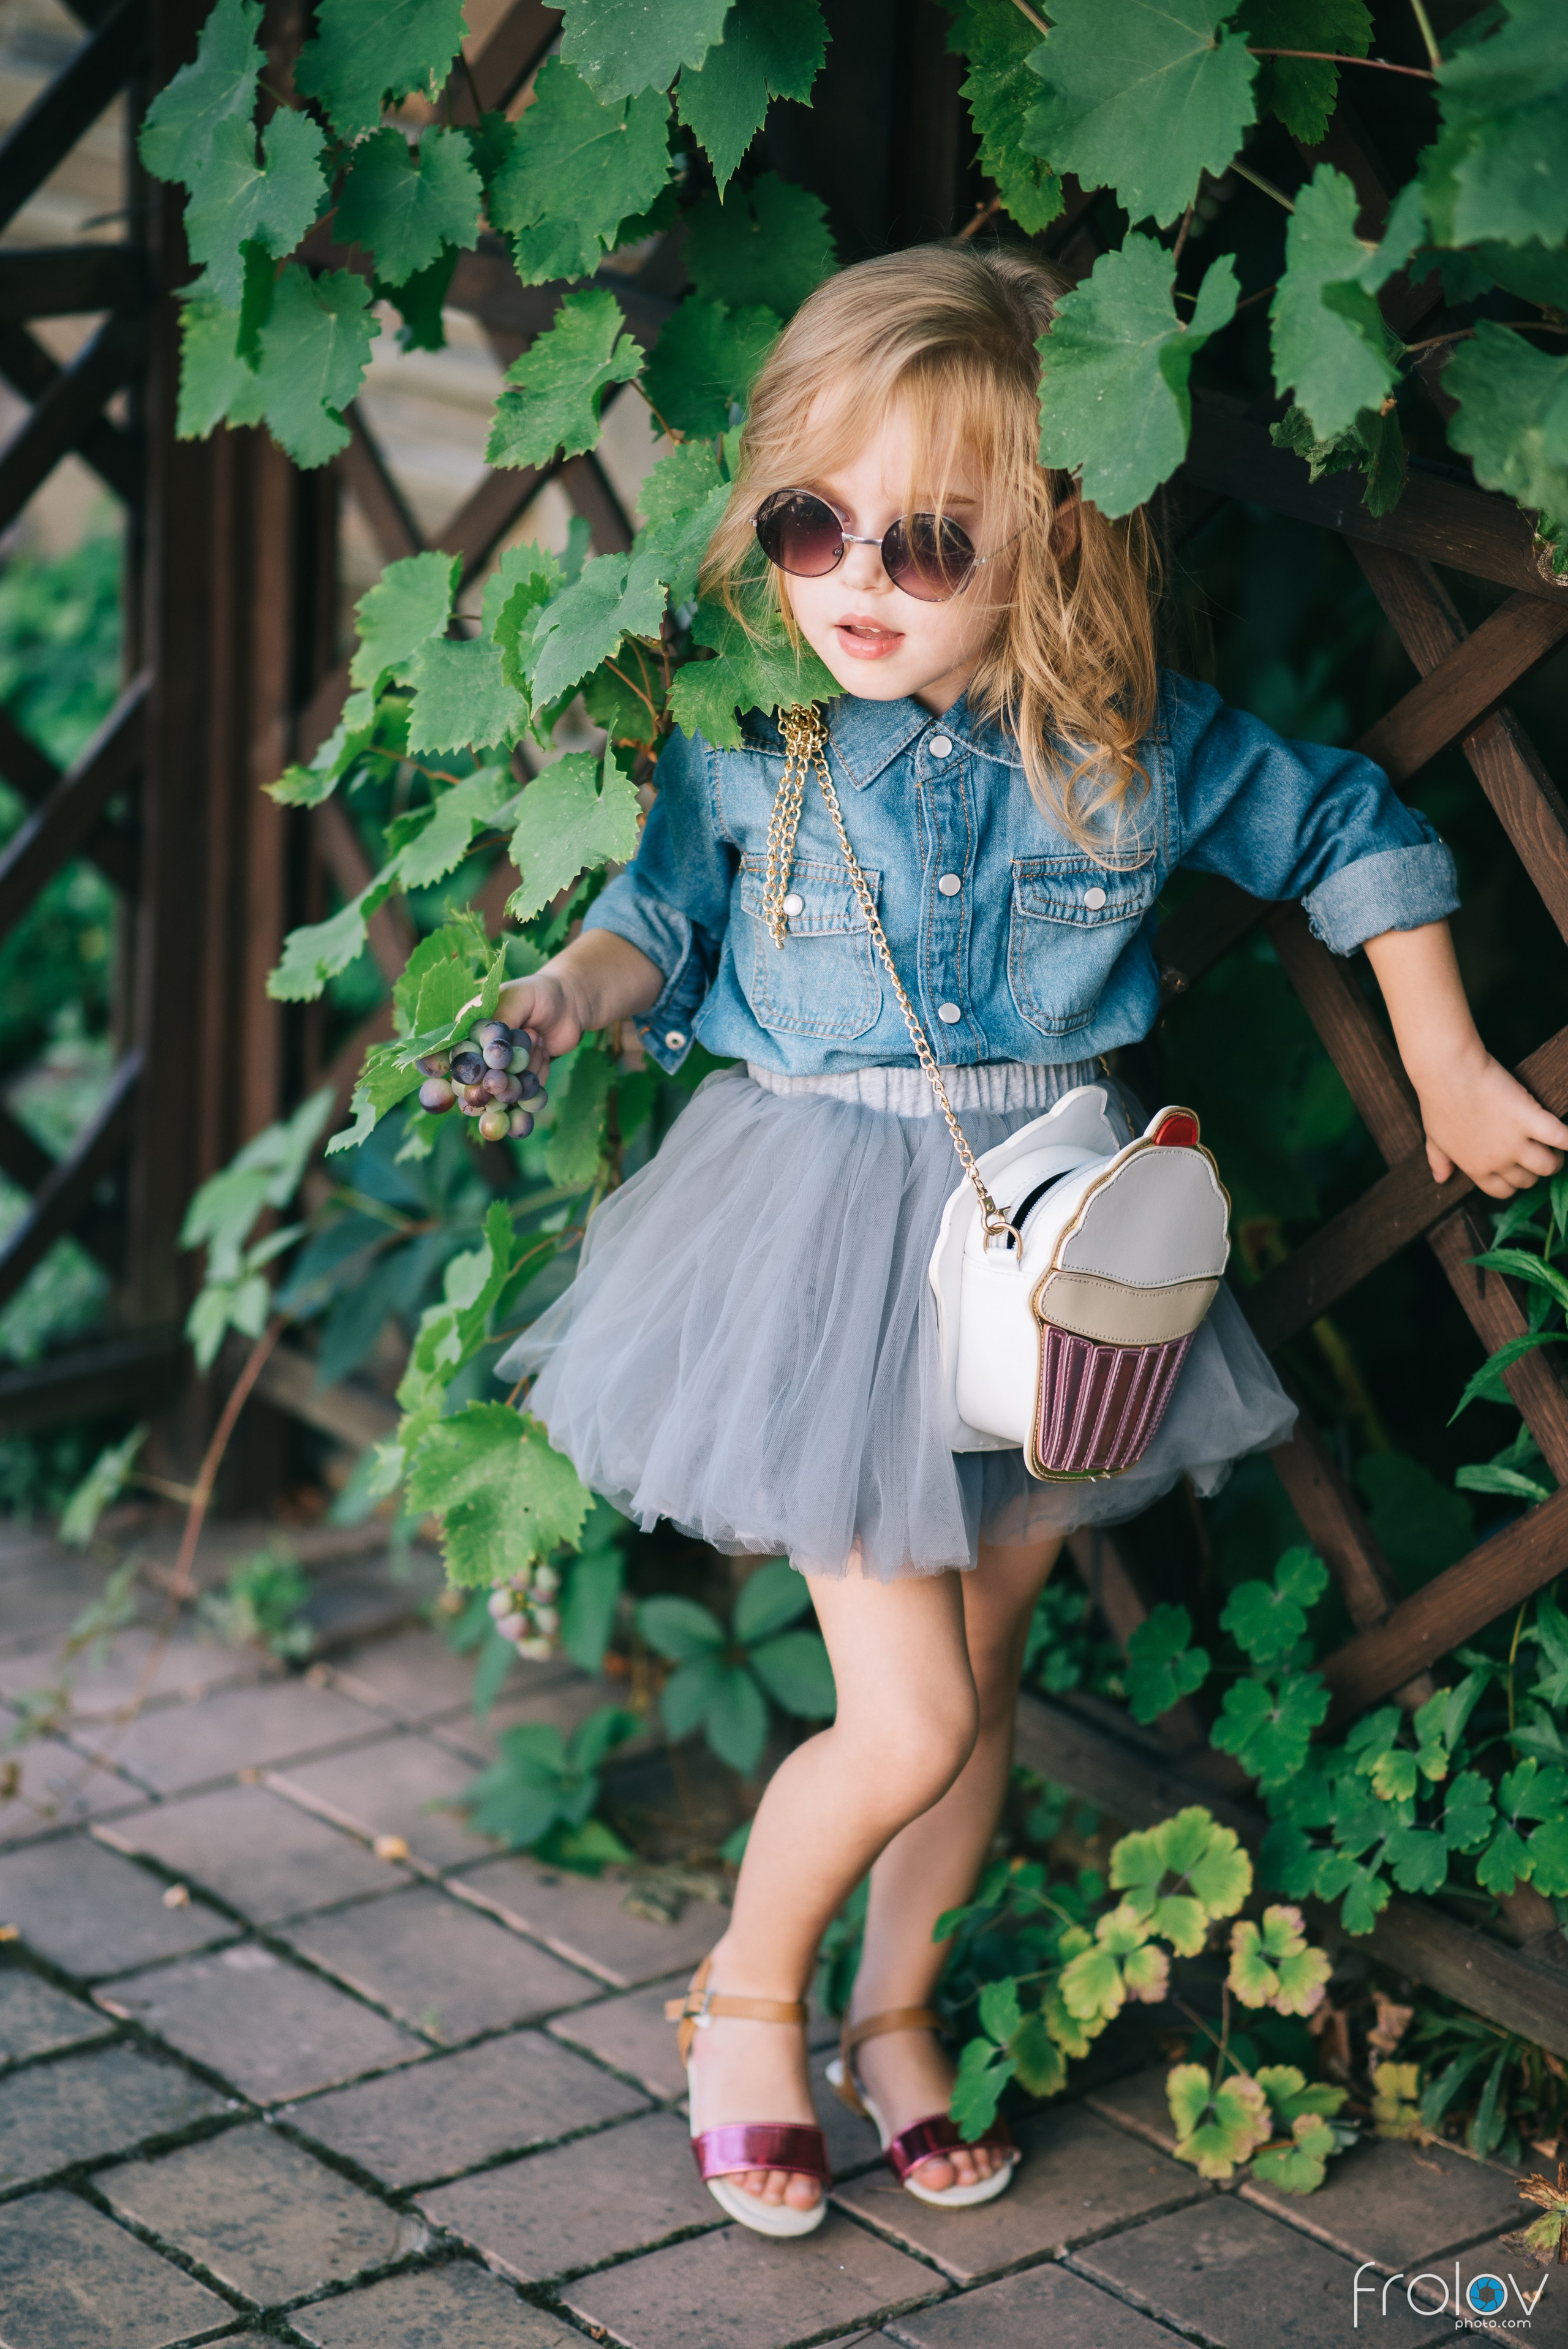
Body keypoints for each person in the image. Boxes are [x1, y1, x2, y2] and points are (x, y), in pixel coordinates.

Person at [494, 243, 1568, 2237]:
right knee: (901, 1710)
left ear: (1050, 535)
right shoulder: (754, 735)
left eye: (926, 540)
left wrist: (1444, 1055)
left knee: (978, 1687)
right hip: (817, 1242)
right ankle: (746, 1992)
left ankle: (894, 2005)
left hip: (1049, 1251)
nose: (856, 585)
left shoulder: (1128, 737)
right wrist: (565, 994)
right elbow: (653, 914)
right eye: (813, 526)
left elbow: (1349, 825)